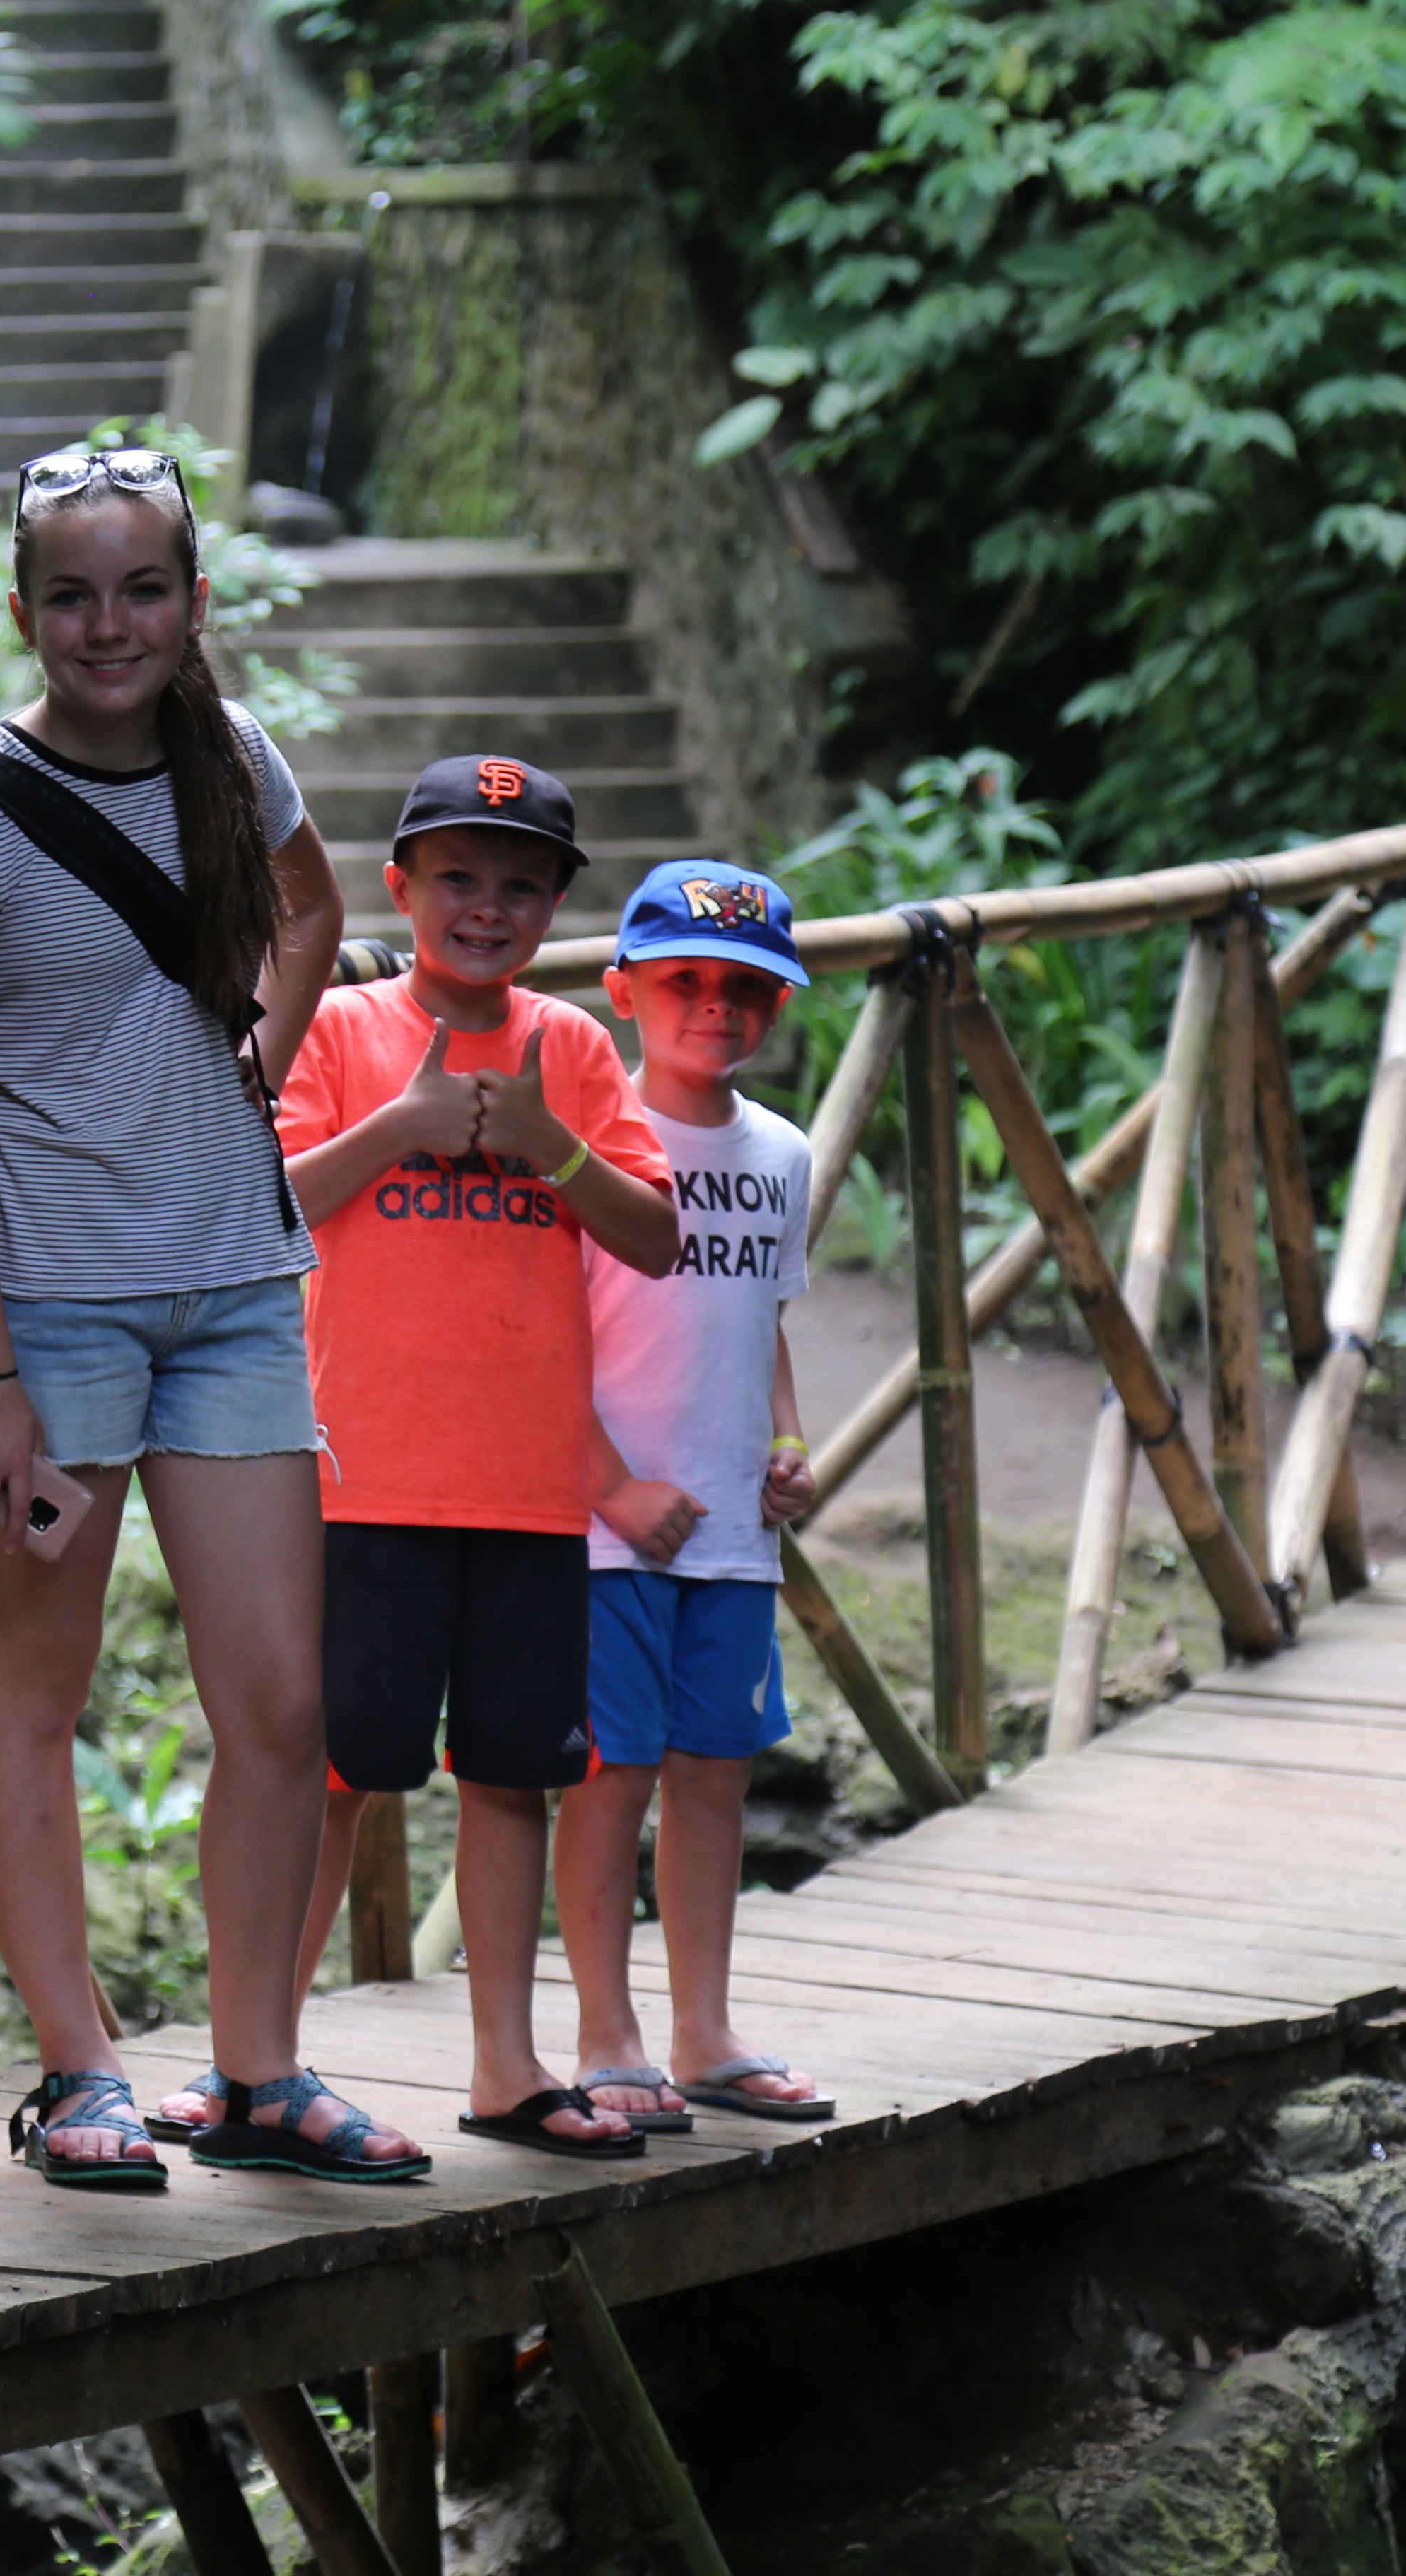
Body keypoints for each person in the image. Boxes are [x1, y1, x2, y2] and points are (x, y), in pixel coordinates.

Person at [0, 445, 420, 2188]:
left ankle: (258, 2070)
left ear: (194, 602)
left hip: (237, 1289)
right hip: (49, 1311)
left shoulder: (233, 764)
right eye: (71, 593)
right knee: (38, 1688)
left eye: (144, 589)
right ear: (23, 608)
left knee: (279, 1701)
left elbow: (319, 906)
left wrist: (256, 1054)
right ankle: (79, 2069)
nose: (108, 625)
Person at [146, 757, 677, 2159]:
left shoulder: (572, 1048)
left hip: (523, 1492)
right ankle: (251, 2058)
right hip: (359, 1474)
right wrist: (408, 1130)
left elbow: (655, 1234)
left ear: (558, 905)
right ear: (401, 889)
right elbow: (264, 1202)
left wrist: (553, 1149)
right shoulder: (335, 1028)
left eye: (518, 886)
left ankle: (509, 2065)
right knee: (324, 1768)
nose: (485, 909)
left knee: (512, 1774)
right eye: (458, 879)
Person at [558, 858, 838, 2130]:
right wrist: (609, 1486)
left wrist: (790, 1443)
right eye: (683, 982)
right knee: (613, 1774)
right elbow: (533, 1335)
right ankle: (606, 2032)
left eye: (746, 992)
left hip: (733, 1531)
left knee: (715, 1772)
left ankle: (704, 2027)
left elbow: (763, 1319)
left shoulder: (781, 1152)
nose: (715, 1009)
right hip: (607, 1530)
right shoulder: (592, 1139)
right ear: (624, 992)